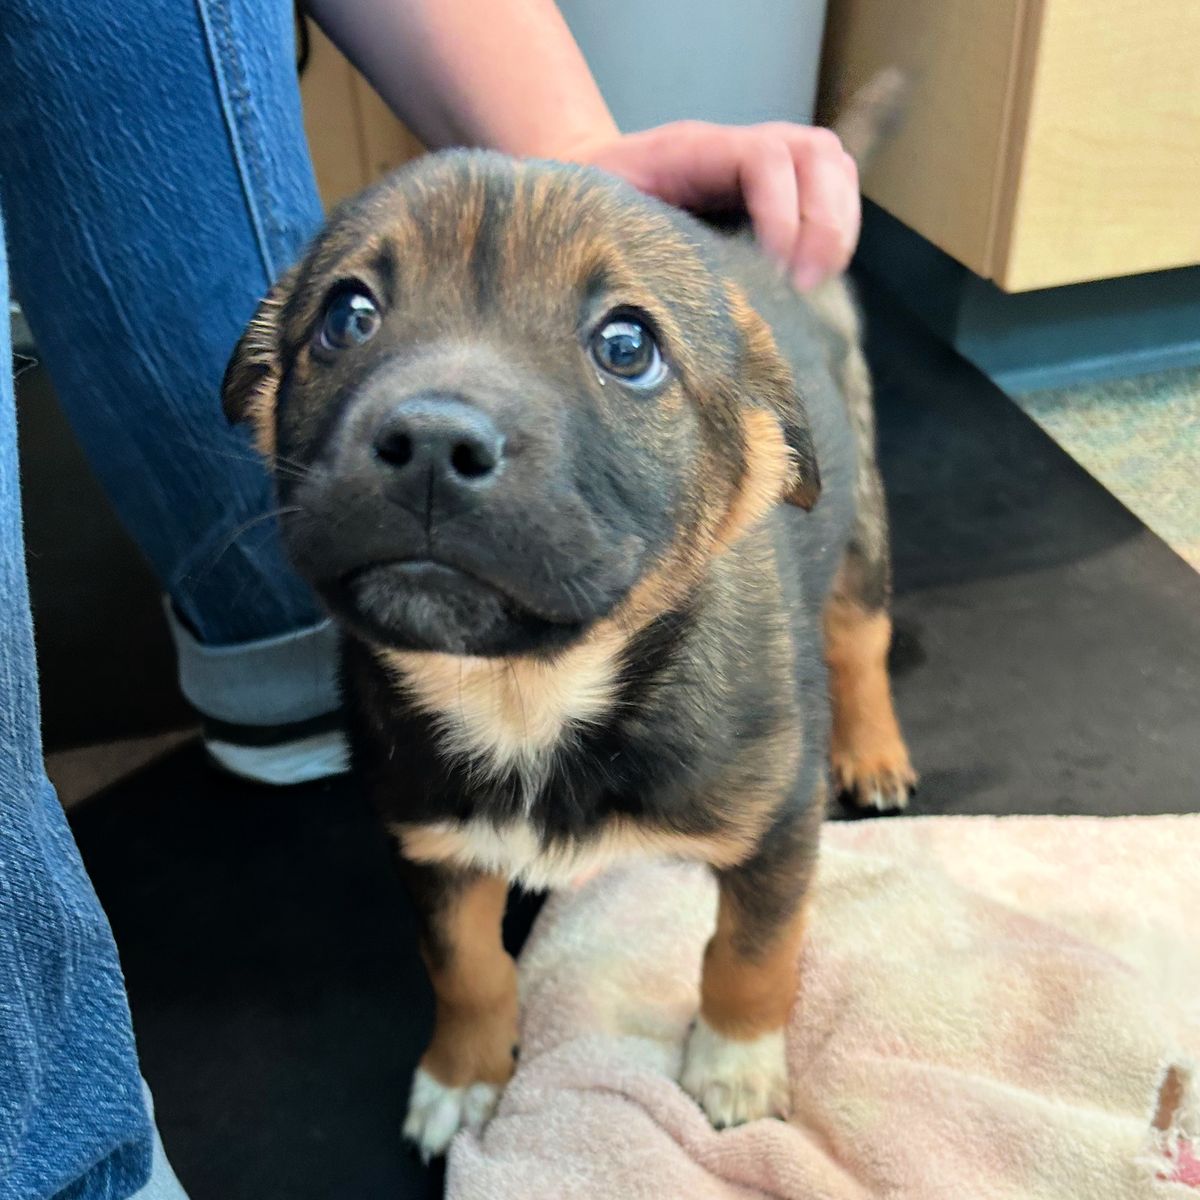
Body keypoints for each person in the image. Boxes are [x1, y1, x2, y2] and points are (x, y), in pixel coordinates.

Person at [0, 1, 859, 1194]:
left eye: (625, 347)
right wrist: (470, 1014)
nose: (436, 425)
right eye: (353, 318)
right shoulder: (397, 718)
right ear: (264, 393)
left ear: (768, 462)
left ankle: (868, 682)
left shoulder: (744, 727)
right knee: (442, 846)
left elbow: (774, 837)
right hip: (433, 750)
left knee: (855, 612)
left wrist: (745, 1012)